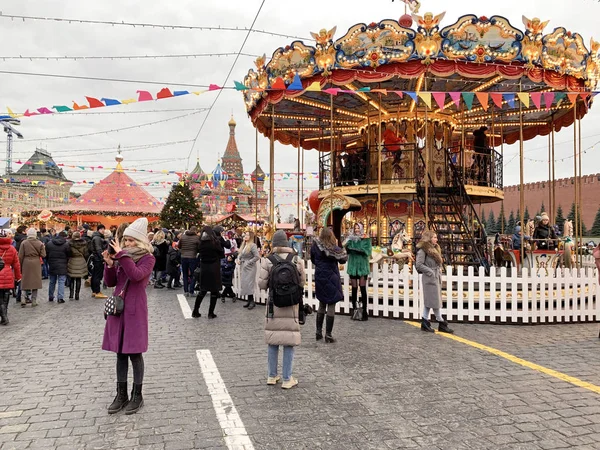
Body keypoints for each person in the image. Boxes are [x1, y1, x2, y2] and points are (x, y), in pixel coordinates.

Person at [102, 217, 155, 415]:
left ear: (140, 241)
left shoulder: (148, 258)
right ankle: (121, 394)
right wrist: (109, 265)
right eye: (125, 240)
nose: (127, 244)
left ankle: (137, 395)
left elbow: (136, 276)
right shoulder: (122, 257)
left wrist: (122, 256)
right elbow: (111, 282)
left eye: (131, 240)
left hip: (134, 309)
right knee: (120, 353)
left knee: (135, 353)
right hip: (118, 309)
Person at [258, 230, 305, 389]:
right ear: (286, 243)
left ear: (273, 243)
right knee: (289, 341)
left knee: (273, 340)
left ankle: (272, 376)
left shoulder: (267, 261)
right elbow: (302, 283)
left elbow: (261, 284)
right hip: (291, 304)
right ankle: (287, 378)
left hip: (273, 305)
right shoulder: (297, 260)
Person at [311, 227, 347, 343]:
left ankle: (318, 332)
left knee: (322, 303)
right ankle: (328, 334)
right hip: (332, 276)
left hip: (320, 276)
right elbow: (343, 259)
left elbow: (312, 258)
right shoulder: (333, 249)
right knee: (331, 304)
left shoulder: (315, 245)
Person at [415, 230, 453, 334]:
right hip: (429, 278)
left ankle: (425, 321)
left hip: (435, 277)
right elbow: (419, 264)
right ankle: (441, 321)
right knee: (434, 301)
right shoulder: (423, 250)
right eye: (434, 237)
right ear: (429, 238)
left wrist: (437, 270)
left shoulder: (435, 248)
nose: (436, 239)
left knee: (430, 301)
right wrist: (430, 271)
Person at [192, 226, 224, 319]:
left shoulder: (200, 244)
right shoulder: (215, 243)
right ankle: (211, 313)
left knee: (202, 290)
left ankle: (195, 310)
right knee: (214, 291)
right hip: (214, 268)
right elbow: (221, 254)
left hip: (204, 268)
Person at [344, 223, 372, 320]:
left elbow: (368, 251)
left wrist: (360, 251)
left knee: (363, 288)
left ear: (361, 229)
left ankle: (364, 311)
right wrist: (348, 247)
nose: (356, 230)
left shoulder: (366, 238)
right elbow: (346, 249)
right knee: (354, 289)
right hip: (353, 265)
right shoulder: (351, 239)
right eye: (355, 228)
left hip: (362, 266)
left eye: (358, 228)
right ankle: (354, 310)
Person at [18, 228, 46, 307]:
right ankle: (34, 300)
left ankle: (23, 298)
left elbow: (20, 256)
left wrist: (20, 266)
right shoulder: (39, 243)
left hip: (26, 262)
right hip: (36, 263)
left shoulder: (24, 243)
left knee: (25, 281)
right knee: (35, 282)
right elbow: (43, 255)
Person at [0, 229, 21, 324]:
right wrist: (18, 276)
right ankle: (5, 314)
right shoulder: (12, 249)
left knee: (0, 298)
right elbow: (16, 265)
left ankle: (4, 317)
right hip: (8, 272)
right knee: (6, 295)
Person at [46, 231, 70, 303]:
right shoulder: (66, 244)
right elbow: (69, 254)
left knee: (52, 281)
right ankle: (60, 298)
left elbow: (46, 254)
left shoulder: (49, 243)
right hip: (62, 264)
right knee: (61, 281)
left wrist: (49, 261)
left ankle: (50, 296)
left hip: (52, 264)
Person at [238, 231, 260, 310]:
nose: (245, 236)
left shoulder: (253, 245)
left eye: (247, 235)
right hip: (244, 266)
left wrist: (249, 262)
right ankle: (249, 300)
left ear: (250, 237)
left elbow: (257, 256)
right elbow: (240, 254)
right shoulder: (244, 245)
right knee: (246, 283)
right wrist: (239, 259)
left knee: (250, 283)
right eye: (245, 235)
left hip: (250, 267)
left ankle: (252, 301)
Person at [178, 226, 201, 297]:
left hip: (183, 257)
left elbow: (179, 246)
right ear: (195, 231)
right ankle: (191, 290)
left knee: (185, 274)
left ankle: (186, 291)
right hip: (192, 257)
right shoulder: (197, 238)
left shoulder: (183, 237)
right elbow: (199, 248)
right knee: (193, 274)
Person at [67, 231, 88, 300]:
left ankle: (71, 294)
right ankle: (77, 295)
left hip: (72, 261)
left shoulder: (70, 243)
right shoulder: (84, 244)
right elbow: (86, 253)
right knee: (78, 279)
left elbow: (68, 253)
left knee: (72, 278)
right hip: (81, 261)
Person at [91, 224, 108, 299]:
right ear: (98, 230)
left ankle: (95, 291)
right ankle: (97, 292)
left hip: (96, 259)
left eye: (103, 229)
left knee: (95, 275)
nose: (103, 230)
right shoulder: (97, 238)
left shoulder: (96, 237)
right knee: (97, 276)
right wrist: (103, 258)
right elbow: (98, 249)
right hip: (98, 259)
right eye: (101, 229)